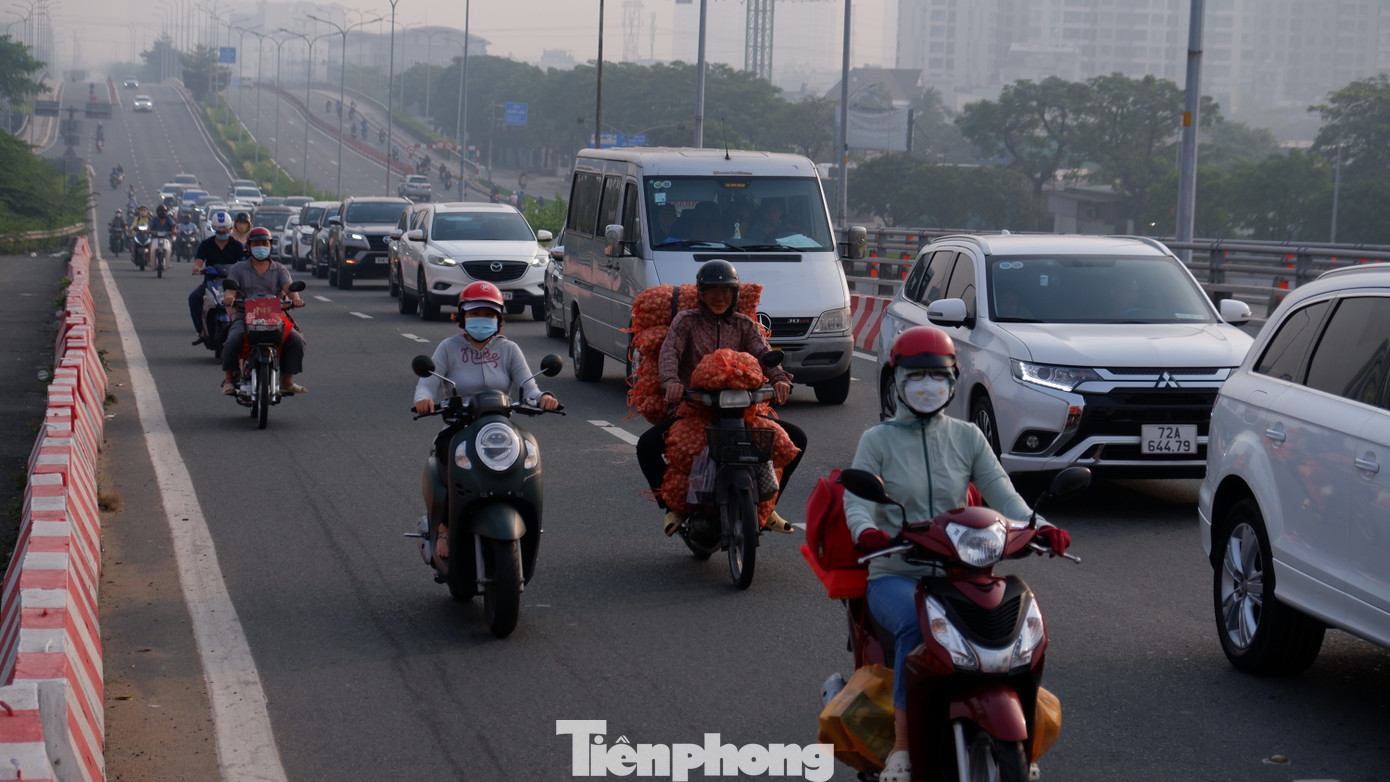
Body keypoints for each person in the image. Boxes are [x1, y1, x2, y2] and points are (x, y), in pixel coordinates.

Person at [843, 325, 1071, 782]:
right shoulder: (877, 440)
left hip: (962, 572)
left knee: (1021, 625)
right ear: (897, 380)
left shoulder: (967, 437)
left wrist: (1042, 527)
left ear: (953, 378)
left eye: (937, 376)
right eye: (915, 376)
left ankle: (1023, 735)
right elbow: (857, 499)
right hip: (896, 570)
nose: (927, 386)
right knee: (914, 624)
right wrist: (866, 531)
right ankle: (904, 750)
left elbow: (1003, 495)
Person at [636, 259, 805, 536]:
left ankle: (769, 504)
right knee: (647, 446)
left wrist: (779, 379)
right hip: (695, 408)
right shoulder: (686, 321)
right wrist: (671, 382)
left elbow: (764, 354)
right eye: (713, 291)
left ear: (735, 294)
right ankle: (671, 507)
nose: (719, 297)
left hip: (742, 409)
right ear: (701, 294)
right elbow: (669, 353)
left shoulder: (744, 325)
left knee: (797, 440)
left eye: (726, 291)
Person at [412, 281, 561, 558]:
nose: (482, 319)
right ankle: (444, 526)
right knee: (449, 462)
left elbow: (529, 387)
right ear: (462, 316)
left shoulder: (509, 350)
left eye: (489, 314)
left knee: (525, 460)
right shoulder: (448, 348)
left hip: (500, 427)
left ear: (500, 320)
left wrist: (543, 397)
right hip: (458, 428)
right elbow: (427, 383)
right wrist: (423, 400)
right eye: (475, 313)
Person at [221, 227, 307, 396]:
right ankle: (229, 379)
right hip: (245, 315)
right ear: (249, 247)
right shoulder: (238, 269)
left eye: (264, 243)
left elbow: (289, 288)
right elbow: (230, 291)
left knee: (297, 341)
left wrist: (295, 299)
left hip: (274, 316)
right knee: (231, 341)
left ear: (270, 246)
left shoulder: (280, 269)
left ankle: (287, 380)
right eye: (257, 244)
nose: (261, 246)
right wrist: (229, 298)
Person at [190, 211, 245, 341]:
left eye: (225, 231)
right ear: (214, 230)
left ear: (230, 229)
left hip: (233, 283)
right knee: (194, 298)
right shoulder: (206, 244)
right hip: (211, 282)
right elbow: (199, 260)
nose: (222, 234)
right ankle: (202, 331)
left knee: (246, 301)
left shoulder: (237, 246)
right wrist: (197, 268)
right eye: (219, 232)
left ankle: (246, 330)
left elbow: (244, 263)